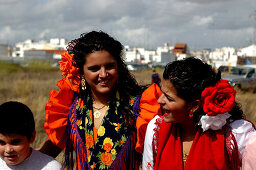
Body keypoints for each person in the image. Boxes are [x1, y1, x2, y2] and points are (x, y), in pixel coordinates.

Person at [41, 30, 154, 169]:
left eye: (110, 66)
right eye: (94, 68)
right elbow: (50, 149)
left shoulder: (140, 106)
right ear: (81, 72)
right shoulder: (71, 107)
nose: (103, 74)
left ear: (118, 66)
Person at [142, 57, 255, 170]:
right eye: (162, 93)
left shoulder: (235, 133)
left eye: (169, 98)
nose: (159, 101)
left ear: (193, 106)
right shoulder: (156, 129)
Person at [0, 101, 62, 170]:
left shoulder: (51, 167)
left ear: (32, 137)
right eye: (2, 142)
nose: (8, 150)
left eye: (15, 142)